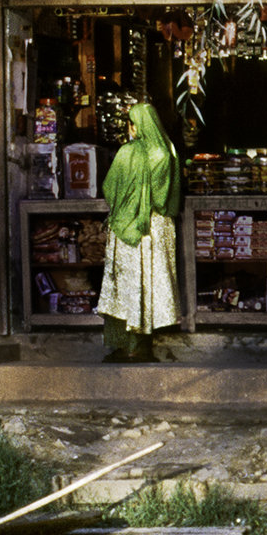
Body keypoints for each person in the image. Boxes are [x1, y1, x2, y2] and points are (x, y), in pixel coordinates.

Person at [99, 102, 183, 361]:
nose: (130, 129)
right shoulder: (166, 152)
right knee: (150, 285)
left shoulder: (127, 152)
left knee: (128, 285)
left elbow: (109, 189)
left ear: (135, 125)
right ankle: (143, 345)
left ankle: (129, 346)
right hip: (157, 228)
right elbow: (164, 199)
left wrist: (129, 206)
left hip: (128, 229)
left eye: (130, 124)